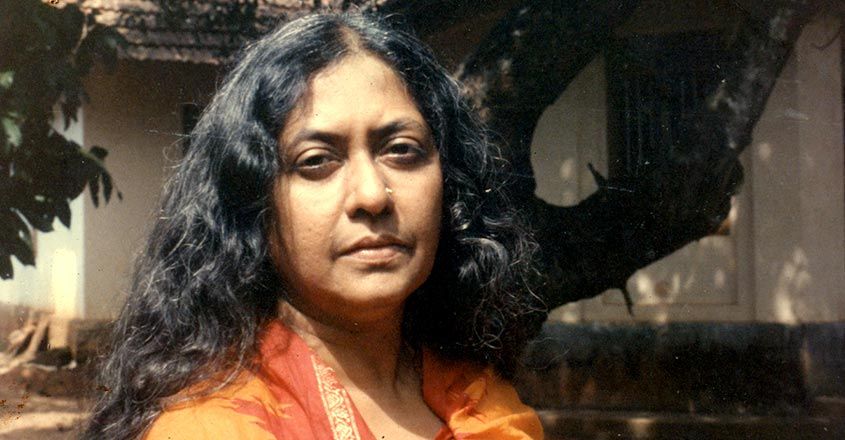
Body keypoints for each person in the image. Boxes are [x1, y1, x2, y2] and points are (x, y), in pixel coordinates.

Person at [83, 12, 547, 440]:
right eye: (317, 161)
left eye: (401, 150)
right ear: (252, 202)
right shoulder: (213, 427)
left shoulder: (480, 398)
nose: (371, 195)